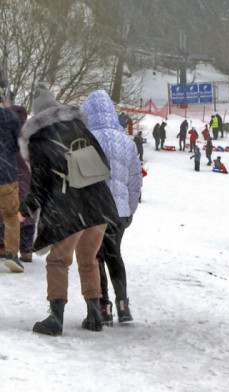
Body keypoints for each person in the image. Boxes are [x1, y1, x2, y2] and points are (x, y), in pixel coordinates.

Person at [20, 84, 119, 335]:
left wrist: (25, 210)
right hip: (99, 206)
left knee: (57, 260)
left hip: (68, 209)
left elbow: (40, 184)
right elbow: (103, 163)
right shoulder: (79, 127)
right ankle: (95, 314)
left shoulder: (40, 139)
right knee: (89, 258)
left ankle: (56, 317)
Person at [80, 90, 142, 325]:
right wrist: (130, 209)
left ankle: (103, 306)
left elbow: (83, 182)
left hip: (95, 211)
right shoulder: (126, 141)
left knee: (96, 257)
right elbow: (135, 181)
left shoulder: (86, 140)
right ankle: (123, 305)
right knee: (115, 254)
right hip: (120, 212)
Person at [0, 95, 22, 272]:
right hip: (6, 173)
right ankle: (12, 254)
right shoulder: (11, 118)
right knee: (10, 215)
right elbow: (18, 145)